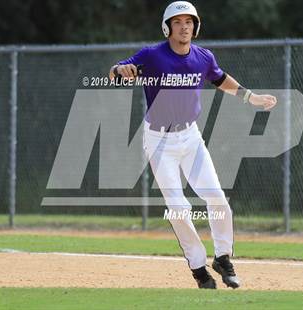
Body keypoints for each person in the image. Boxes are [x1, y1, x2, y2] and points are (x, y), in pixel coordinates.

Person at [109, 1, 277, 289]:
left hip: (190, 137)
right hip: (159, 140)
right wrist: (119, 71)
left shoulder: (203, 57)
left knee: (218, 199)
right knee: (178, 208)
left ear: (195, 27)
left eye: (189, 22)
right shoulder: (152, 56)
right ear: (167, 28)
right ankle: (199, 268)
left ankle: (223, 257)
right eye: (178, 22)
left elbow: (220, 78)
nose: (184, 26)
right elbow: (117, 71)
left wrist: (251, 98)